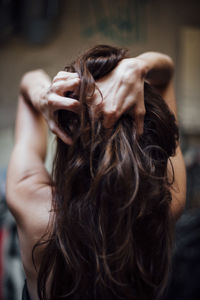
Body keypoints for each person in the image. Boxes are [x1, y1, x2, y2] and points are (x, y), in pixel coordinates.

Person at [6, 45, 186, 300]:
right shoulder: (166, 202)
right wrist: (140, 65)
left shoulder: (37, 212)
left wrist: (41, 95)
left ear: (66, 135)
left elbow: (28, 83)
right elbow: (165, 75)